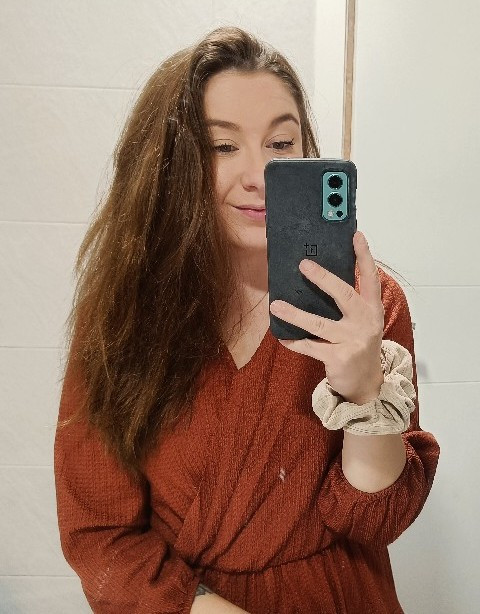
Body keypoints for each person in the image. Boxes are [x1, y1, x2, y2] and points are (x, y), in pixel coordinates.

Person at [53, 26, 440, 614]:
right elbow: (101, 534)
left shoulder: (367, 305)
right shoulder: (124, 313)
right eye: (222, 147)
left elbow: (376, 520)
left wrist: (365, 391)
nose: (259, 175)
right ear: (171, 164)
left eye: (281, 143)